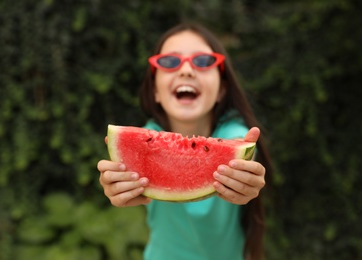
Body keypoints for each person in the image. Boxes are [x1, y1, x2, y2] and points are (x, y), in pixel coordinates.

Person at [97, 22, 272, 260]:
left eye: (203, 61)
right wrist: (117, 184)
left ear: (221, 89)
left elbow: (241, 148)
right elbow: (127, 175)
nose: (186, 70)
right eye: (169, 62)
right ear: (155, 91)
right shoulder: (147, 134)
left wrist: (249, 180)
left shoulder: (238, 135)